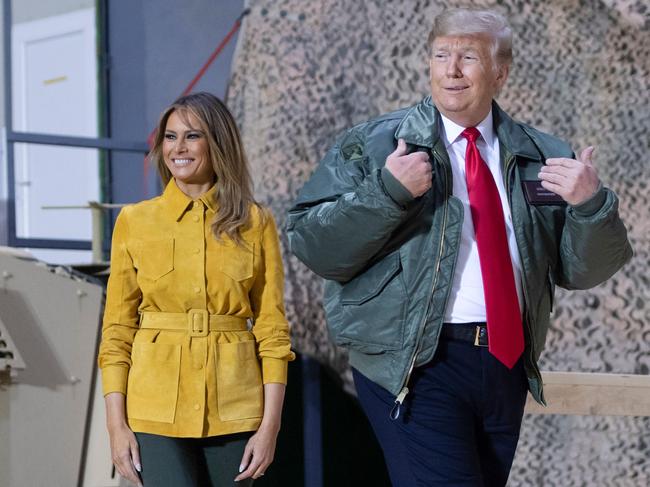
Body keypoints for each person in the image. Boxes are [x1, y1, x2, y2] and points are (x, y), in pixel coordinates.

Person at [287, 8, 632, 487]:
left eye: (468, 56)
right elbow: (313, 245)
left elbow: (582, 270)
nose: (451, 69)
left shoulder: (541, 153)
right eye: (441, 54)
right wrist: (385, 192)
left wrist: (591, 206)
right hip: (416, 364)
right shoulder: (375, 144)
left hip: (504, 365)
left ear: (500, 73)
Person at [98, 92, 294, 486]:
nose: (178, 148)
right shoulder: (136, 221)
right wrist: (116, 427)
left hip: (236, 407)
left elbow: (272, 331)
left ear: (217, 142)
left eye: (192, 136)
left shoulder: (255, 222)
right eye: (170, 137)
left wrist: (269, 427)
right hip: (153, 409)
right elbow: (117, 332)